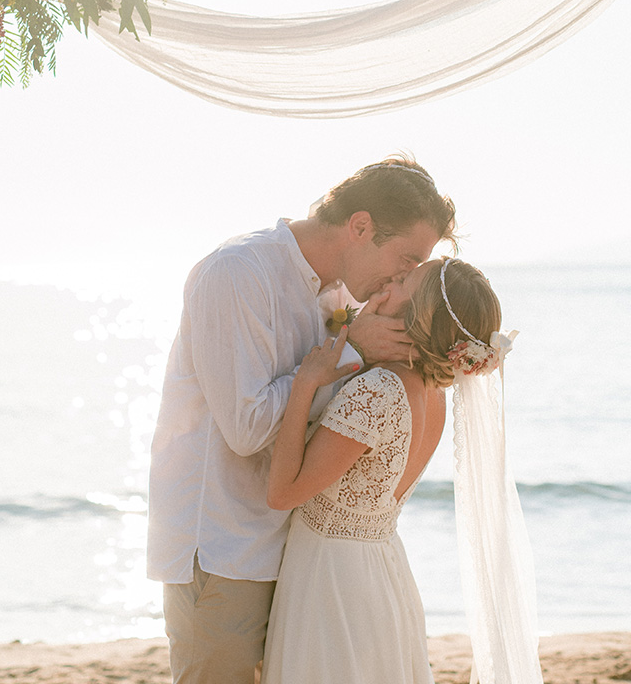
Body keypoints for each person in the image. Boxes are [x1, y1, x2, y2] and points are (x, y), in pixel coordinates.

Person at [146, 157, 457, 684]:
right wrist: (351, 349)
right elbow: (246, 429)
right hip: (228, 550)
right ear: (361, 227)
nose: (404, 277)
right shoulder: (238, 274)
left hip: (296, 556)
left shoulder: (340, 295)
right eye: (406, 259)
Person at [261, 257, 539, 684]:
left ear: (418, 314)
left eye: (404, 279)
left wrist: (304, 385)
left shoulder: (379, 390)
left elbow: (283, 493)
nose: (391, 277)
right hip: (380, 569)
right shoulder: (432, 393)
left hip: (332, 580)